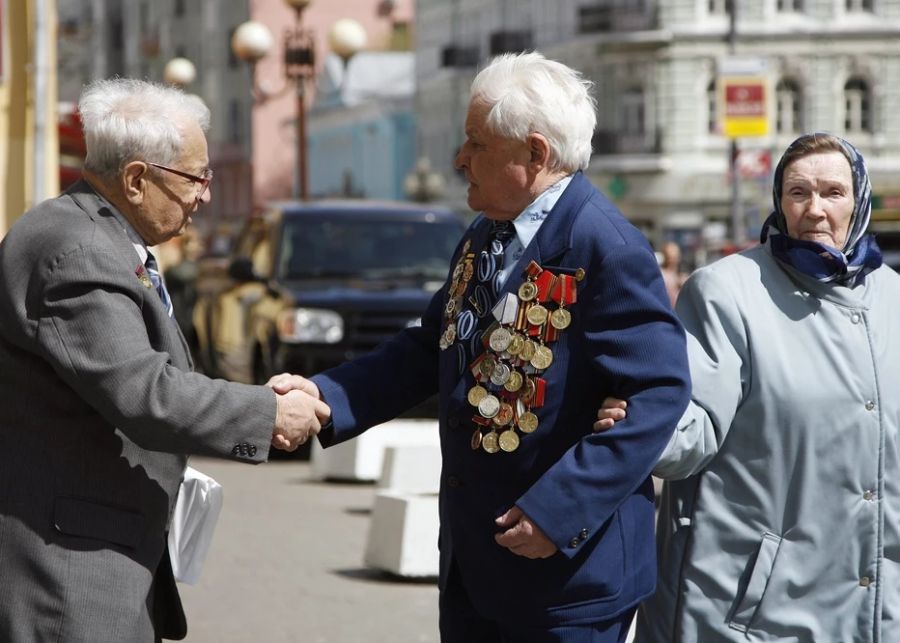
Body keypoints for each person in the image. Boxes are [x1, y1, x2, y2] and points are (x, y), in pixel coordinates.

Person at [273, 52, 691, 642]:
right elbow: (430, 347)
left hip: (563, 578)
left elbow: (659, 389)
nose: (459, 159)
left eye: (477, 144)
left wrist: (559, 511)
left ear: (535, 154)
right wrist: (326, 395)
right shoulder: (486, 233)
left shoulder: (604, 244)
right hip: (476, 567)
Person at [0, 78, 329, 642]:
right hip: (71, 571)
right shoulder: (77, 253)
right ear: (135, 179)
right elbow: (144, 393)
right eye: (196, 178)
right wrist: (266, 415)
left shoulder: (86, 234)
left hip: (94, 547)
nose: (204, 194)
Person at [596, 133, 899, 641]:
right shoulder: (727, 293)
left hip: (876, 605)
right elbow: (694, 422)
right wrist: (642, 425)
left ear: (860, 200)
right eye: (798, 193)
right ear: (779, 201)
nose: (815, 210)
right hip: (756, 609)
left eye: (833, 193)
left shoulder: (894, 298)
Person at [658, 240, 686, 306]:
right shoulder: (662, 275)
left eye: (675, 257)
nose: (673, 260)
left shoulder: (681, 276)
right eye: (671, 257)